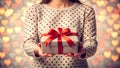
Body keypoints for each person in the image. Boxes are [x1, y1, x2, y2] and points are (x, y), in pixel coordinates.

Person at [23, 0, 98, 68]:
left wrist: (83, 50)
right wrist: (37, 50)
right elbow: (28, 42)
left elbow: (91, 42)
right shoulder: (34, 10)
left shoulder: (86, 11)